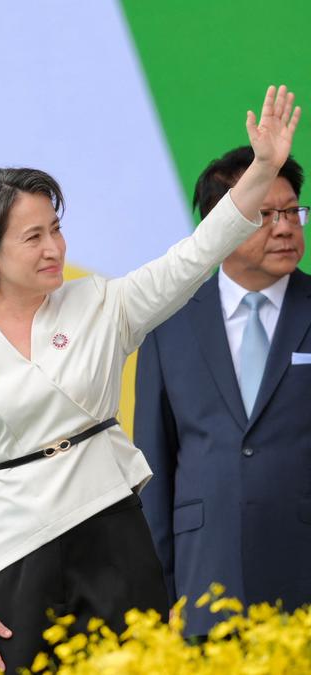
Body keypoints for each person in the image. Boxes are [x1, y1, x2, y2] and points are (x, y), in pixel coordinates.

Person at [0, 85, 300, 674]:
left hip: (112, 531)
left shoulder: (100, 302)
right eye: (33, 236)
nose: (55, 248)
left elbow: (194, 256)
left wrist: (263, 171)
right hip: (9, 552)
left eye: (56, 228)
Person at [135, 146, 311, 636]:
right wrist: (160, 596)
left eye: (293, 210)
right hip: (204, 584)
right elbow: (154, 465)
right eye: (263, 215)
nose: (284, 227)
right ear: (219, 225)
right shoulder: (169, 324)